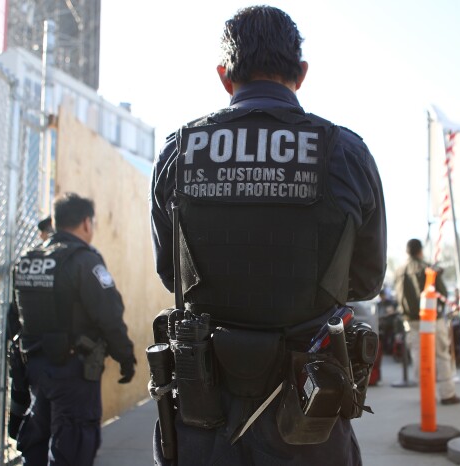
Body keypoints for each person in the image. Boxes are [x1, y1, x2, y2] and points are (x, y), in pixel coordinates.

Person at [149, 6, 386, 465]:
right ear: (300, 73)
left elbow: (170, 274)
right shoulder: (346, 152)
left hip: (205, 408)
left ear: (224, 75)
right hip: (308, 408)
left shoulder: (178, 152)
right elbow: (365, 283)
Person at [9, 192, 136, 465]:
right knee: (74, 445)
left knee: (37, 439)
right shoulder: (85, 260)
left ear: (55, 222)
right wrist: (125, 356)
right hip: (73, 371)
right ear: (86, 223)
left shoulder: (27, 259)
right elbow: (109, 316)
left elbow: (14, 317)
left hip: (34, 367)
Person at [394, 239, 460, 405]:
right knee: (441, 355)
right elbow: (442, 293)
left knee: (418, 356)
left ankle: (425, 393)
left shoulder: (399, 270)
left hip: (411, 321)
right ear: (420, 251)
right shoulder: (428, 269)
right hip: (432, 319)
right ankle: (447, 393)